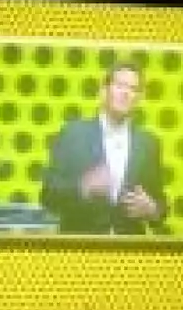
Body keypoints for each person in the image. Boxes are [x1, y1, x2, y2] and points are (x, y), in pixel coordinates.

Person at [40, 59, 168, 235]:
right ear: (104, 91)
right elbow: (48, 197)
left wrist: (153, 211)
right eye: (120, 85)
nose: (126, 93)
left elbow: (160, 204)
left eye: (133, 89)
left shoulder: (148, 143)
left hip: (128, 248)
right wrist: (83, 188)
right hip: (82, 245)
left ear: (138, 98)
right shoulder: (73, 134)